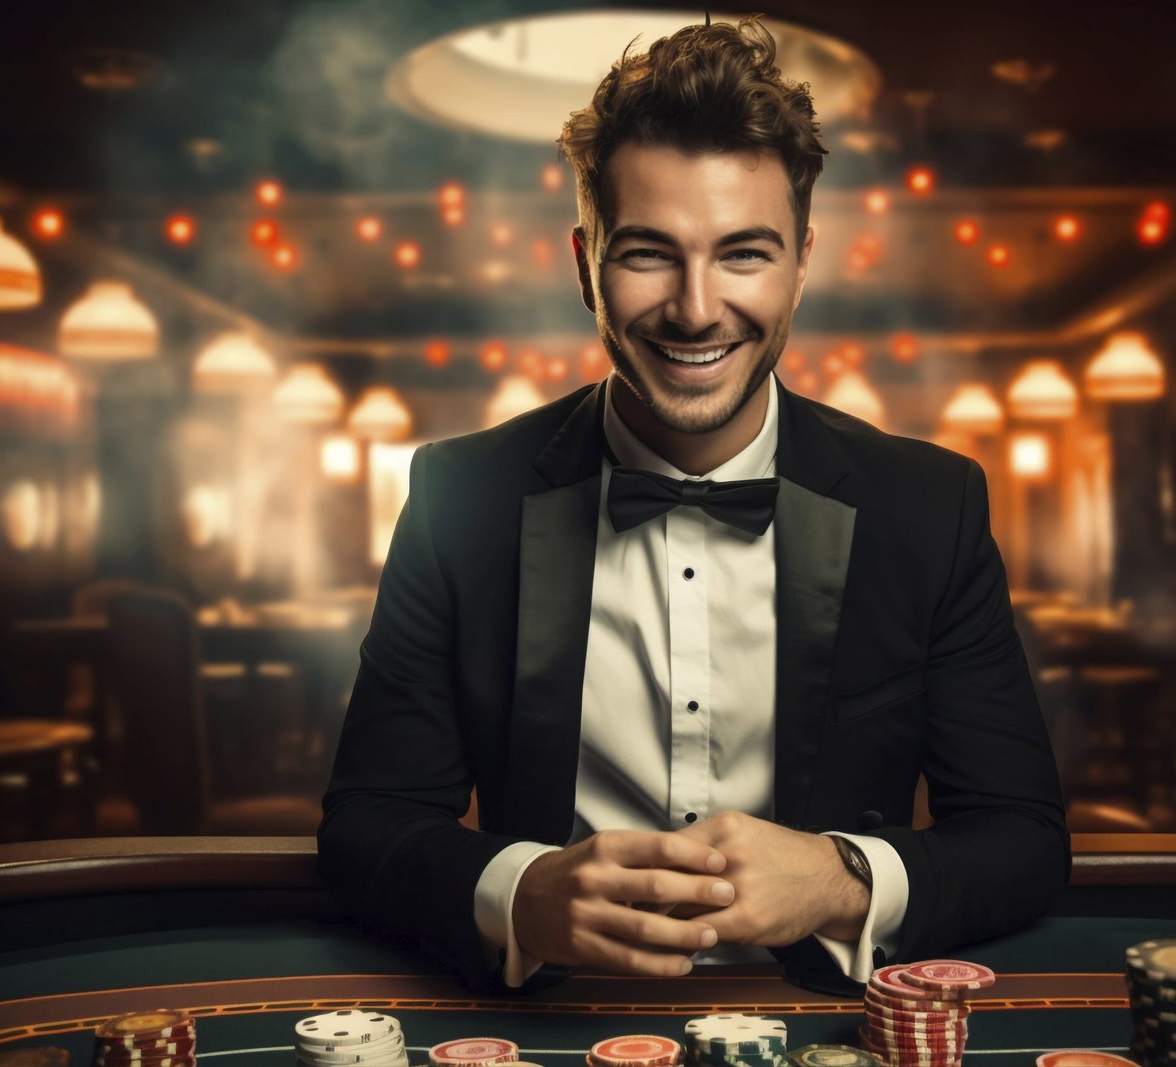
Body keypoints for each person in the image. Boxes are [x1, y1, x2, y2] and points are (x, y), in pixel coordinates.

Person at [318, 17, 1069, 994]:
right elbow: (366, 827)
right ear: (585, 262)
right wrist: (519, 891)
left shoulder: (931, 506)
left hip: (827, 1023)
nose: (696, 307)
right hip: (556, 1019)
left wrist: (843, 881)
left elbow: (1022, 839)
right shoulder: (459, 496)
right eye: (649, 254)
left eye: (743, 254)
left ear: (802, 258)